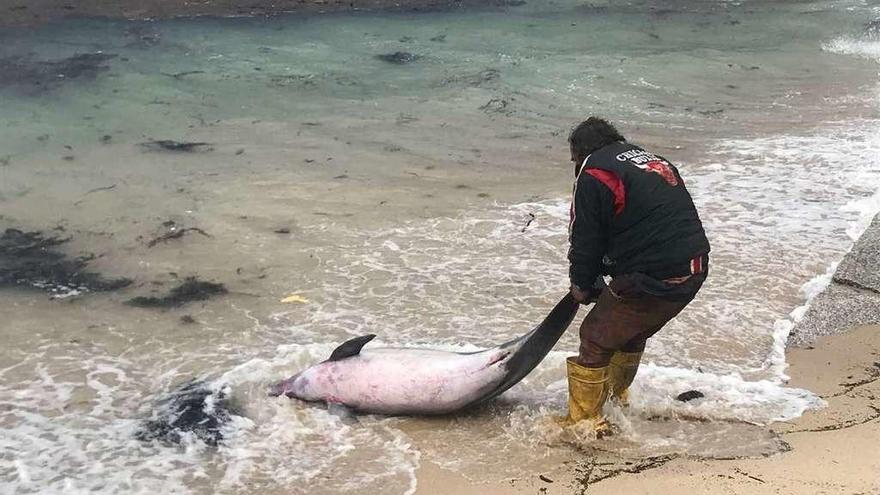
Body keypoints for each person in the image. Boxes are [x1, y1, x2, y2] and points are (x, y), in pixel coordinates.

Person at [561, 117, 710, 436]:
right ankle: (616, 400)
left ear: (579, 153)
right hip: (693, 267)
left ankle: (585, 423)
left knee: (595, 336)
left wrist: (581, 285)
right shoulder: (651, 161)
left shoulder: (594, 173)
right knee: (629, 329)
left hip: (656, 276)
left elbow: (585, 238)